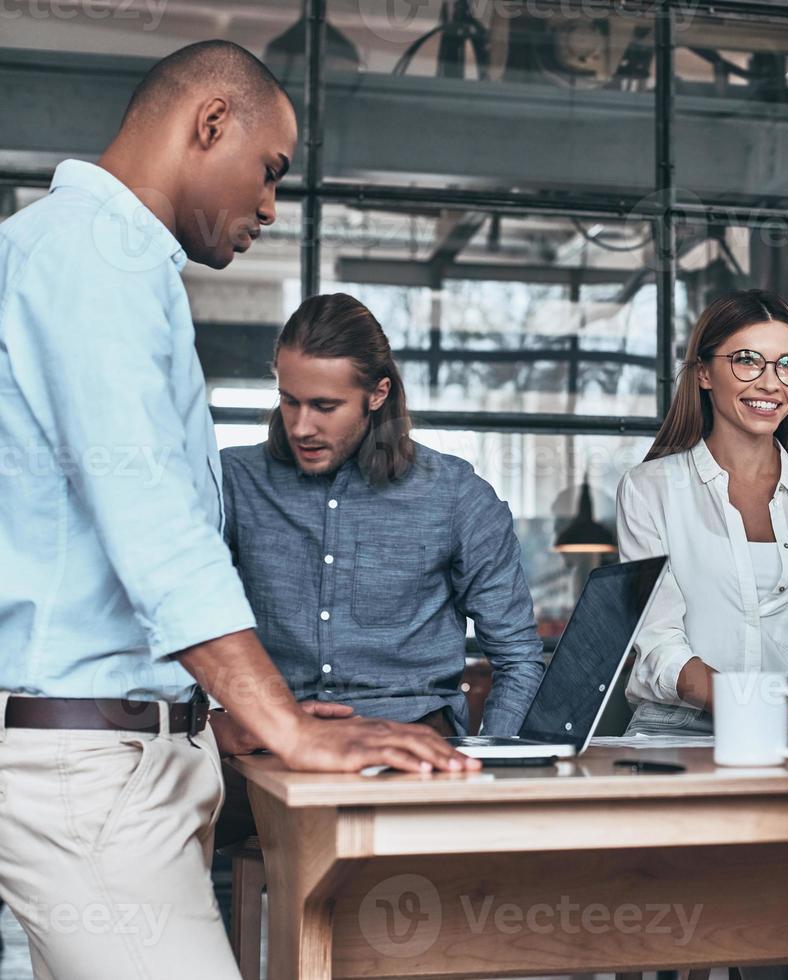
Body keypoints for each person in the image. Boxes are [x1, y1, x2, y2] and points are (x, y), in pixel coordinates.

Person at [0, 41, 470, 979]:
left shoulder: (104, 261)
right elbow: (154, 531)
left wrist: (220, 714)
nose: (268, 205)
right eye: (270, 172)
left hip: (108, 757)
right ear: (209, 123)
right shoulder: (92, 259)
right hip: (88, 782)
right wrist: (289, 724)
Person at [211, 292, 545, 846]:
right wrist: (214, 727)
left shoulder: (456, 495)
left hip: (410, 749)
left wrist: (495, 768)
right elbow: (174, 616)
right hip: (267, 744)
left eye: (324, 406)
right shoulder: (233, 482)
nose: (300, 426)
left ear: (377, 394)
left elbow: (517, 657)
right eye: (288, 401)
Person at [616, 289, 788, 737]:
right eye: (748, 360)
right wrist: (753, 705)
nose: (771, 383)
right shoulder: (649, 490)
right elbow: (657, 644)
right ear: (705, 373)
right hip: (680, 732)